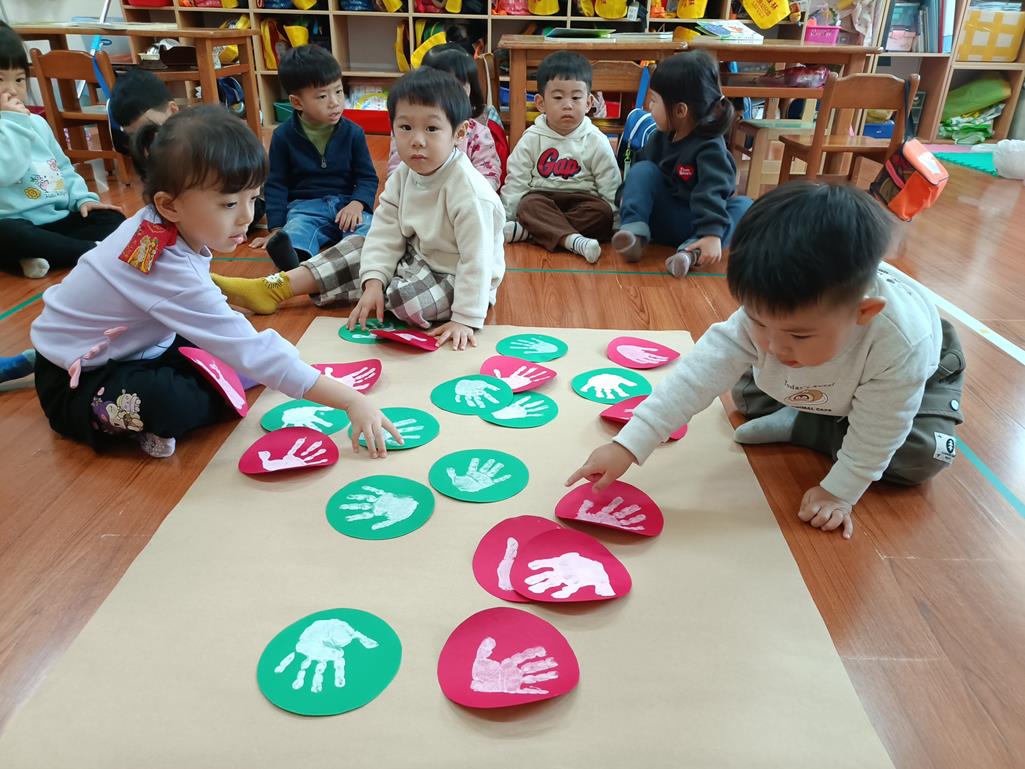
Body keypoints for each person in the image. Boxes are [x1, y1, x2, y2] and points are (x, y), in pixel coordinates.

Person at [567, 183, 966, 540]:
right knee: (743, 389)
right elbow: (696, 376)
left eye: (798, 335)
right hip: (826, 378)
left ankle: (810, 424)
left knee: (917, 455)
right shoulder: (776, 321)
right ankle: (811, 416)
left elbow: (882, 427)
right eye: (757, 321)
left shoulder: (902, 344)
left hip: (920, 377)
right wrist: (630, 444)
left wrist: (839, 491)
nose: (775, 346)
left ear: (863, 313)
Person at [29, 105, 400, 459]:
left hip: (136, 348)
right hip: (76, 383)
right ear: (170, 204)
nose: (246, 217)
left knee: (239, 356)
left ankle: (228, 374)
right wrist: (350, 401)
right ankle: (148, 421)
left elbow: (230, 335)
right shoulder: (162, 262)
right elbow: (249, 349)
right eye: (228, 204)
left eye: (253, 198)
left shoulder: (160, 224)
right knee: (182, 402)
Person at [211, 68, 505, 352]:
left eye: (431, 128)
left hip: (455, 277)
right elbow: (385, 231)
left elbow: (476, 262)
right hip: (416, 257)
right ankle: (272, 288)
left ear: (459, 133)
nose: (417, 140)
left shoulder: (469, 193)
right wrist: (374, 280)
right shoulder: (404, 175)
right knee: (357, 244)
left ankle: (380, 286)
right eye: (405, 128)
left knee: (406, 301)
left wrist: (465, 318)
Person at [0, 21, 125, 279]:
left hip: (55, 219)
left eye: (19, 79)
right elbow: (8, 171)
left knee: (111, 219)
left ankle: (40, 257)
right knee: (8, 235)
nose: (12, 90)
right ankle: (89, 252)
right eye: (1, 80)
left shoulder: (37, 123)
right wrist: (14, 123)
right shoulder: (19, 123)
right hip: (14, 225)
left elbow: (62, 167)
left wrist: (83, 199)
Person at [611, 51, 752, 275]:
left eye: (654, 101)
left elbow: (713, 191)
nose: (649, 107)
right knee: (644, 170)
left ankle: (691, 253)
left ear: (680, 110)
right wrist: (624, 198)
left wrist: (711, 233)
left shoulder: (710, 147)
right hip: (658, 222)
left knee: (745, 207)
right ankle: (634, 236)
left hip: (698, 225)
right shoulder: (659, 137)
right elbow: (638, 174)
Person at [255, 44, 378, 271]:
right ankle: (295, 262)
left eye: (338, 91)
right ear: (297, 102)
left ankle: (350, 259)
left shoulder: (353, 133)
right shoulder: (283, 136)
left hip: (346, 205)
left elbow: (367, 177)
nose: (335, 102)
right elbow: (276, 183)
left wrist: (357, 203)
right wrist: (276, 228)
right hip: (304, 208)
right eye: (322, 96)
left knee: (370, 230)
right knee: (295, 232)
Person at [500, 51, 621, 264]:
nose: (567, 105)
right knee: (527, 205)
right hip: (542, 199)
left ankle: (530, 232)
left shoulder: (595, 140)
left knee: (603, 214)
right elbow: (517, 180)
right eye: (557, 97)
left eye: (576, 97)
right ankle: (575, 241)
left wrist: (616, 222)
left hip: (583, 201)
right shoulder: (532, 138)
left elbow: (610, 183)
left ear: (589, 102)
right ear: (540, 103)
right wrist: (508, 216)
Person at [386, 46, 502, 192]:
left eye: (457, 86)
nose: (447, 94)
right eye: (437, 87)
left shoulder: (478, 134)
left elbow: (489, 177)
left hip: (463, 198)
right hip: (416, 197)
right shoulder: (405, 128)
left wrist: (469, 196)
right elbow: (395, 173)